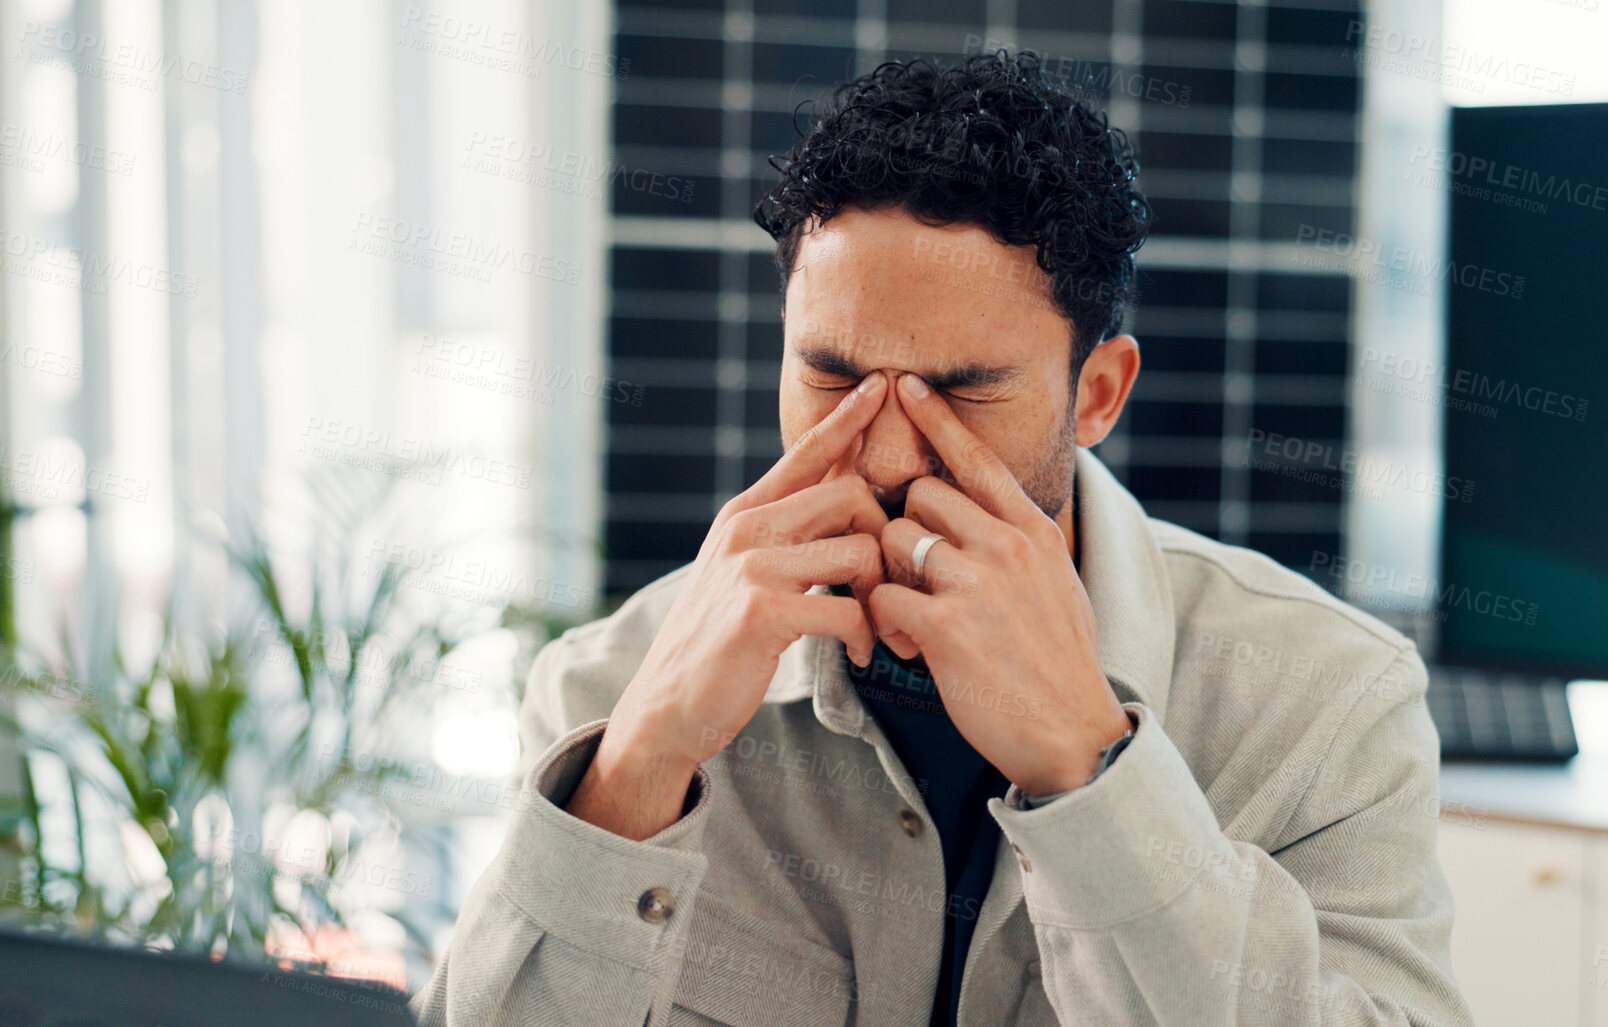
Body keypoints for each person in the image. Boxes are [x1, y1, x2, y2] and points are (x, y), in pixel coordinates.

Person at [412, 50, 1471, 1026]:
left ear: (1097, 393)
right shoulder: (604, 687)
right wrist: (635, 773)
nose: (880, 455)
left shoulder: (1325, 704)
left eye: (962, 393)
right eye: (830, 378)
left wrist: (1091, 774)